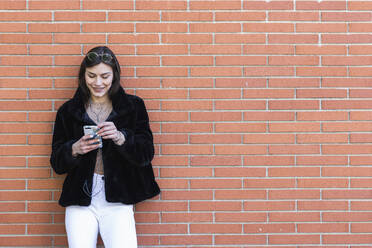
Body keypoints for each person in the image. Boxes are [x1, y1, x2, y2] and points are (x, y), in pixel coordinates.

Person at [50, 46, 160, 248]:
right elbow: (56, 163)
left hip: (118, 197)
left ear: (115, 75)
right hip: (80, 197)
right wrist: (74, 149)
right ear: (83, 75)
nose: (98, 82)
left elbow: (146, 153)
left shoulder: (133, 106)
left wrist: (121, 137)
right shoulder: (68, 110)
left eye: (104, 76)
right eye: (91, 75)